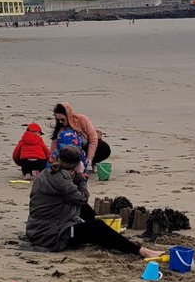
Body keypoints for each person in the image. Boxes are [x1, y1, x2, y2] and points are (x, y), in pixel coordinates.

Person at [25, 146, 161, 259]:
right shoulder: (62, 181)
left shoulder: (48, 172)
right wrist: (80, 176)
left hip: (37, 228)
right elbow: (83, 197)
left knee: (85, 212)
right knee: (97, 228)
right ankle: (142, 251)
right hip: (52, 235)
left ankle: (110, 232)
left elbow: (76, 199)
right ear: (77, 164)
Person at [52, 103, 110, 173]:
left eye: (63, 119)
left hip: (85, 147)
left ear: (68, 116)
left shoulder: (82, 119)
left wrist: (90, 158)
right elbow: (54, 145)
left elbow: (93, 139)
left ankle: (91, 163)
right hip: (70, 151)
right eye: (58, 120)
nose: (60, 122)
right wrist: (52, 161)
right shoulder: (60, 128)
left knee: (104, 148)